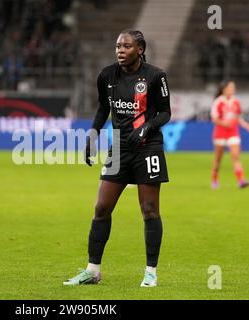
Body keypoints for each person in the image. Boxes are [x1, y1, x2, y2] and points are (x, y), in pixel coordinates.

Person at [63, 29, 171, 287]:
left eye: (126, 46)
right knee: (101, 207)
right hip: (120, 149)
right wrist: (92, 134)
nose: (120, 50)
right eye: (118, 46)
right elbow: (103, 108)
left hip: (148, 147)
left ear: (140, 50)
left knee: (149, 210)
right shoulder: (107, 75)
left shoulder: (156, 76)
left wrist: (146, 128)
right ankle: (93, 270)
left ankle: (150, 272)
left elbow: (165, 113)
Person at [211, 80, 249, 189]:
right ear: (224, 89)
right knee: (218, 158)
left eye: (233, 87)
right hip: (220, 133)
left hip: (233, 132)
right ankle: (214, 180)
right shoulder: (218, 102)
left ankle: (241, 181)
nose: (233, 89)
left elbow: (238, 117)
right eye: (231, 87)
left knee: (235, 157)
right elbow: (214, 119)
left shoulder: (236, 101)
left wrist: (247, 126)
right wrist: (224, 123)